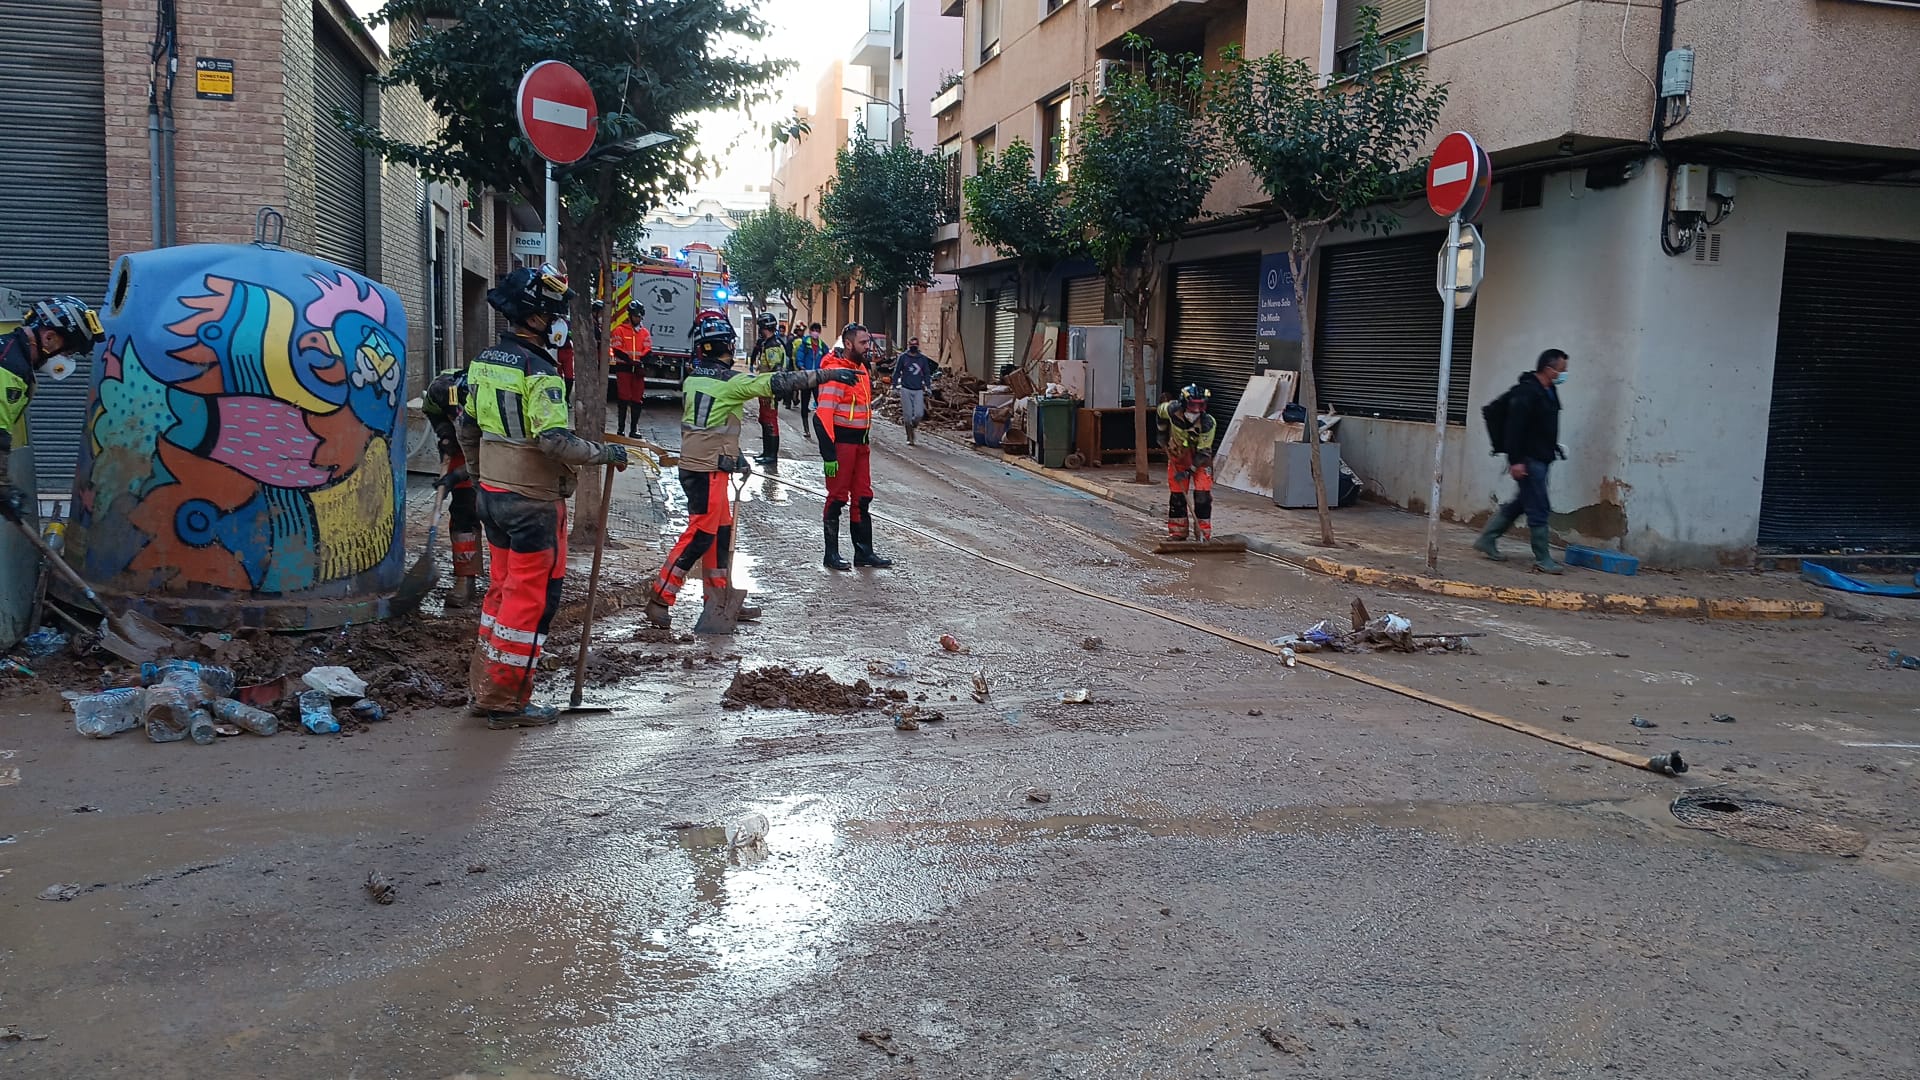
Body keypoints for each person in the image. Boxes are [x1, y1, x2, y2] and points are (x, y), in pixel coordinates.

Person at [457, 265, 629, 729]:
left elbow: (467, 426)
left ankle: (487, 684)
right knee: (529, 600)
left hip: (493, 497)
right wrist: (603, 453)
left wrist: (479, 478)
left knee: (501, 591)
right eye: (555, 315)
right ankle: (506, 698)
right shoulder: (541, 373)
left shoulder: (484, 361)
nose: (561, 324)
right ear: (535, 318)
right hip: (533, 502)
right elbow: (553, 441)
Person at [644, 315, 855, 629]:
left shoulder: (693, 379)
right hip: (706, 471)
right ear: (727, 345)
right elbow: (781, 382)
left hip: (702, 465)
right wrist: (829, 375)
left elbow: (713, 425)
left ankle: (719, 599)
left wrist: (736, 456)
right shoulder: (731, 383)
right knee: (700, 536)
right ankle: (660, 597)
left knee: (721, 535)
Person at [0, 296, 100, 523]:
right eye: (69, 352)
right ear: (49, 338)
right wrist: (3, 489)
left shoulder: (8, 350)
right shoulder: (9, 369)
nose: (67, 359)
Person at [1474, 348, 1570, 574]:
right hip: (1528, 459)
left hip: (1542, 456)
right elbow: (1513, 429)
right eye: (1562, 370)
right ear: (1549, 369)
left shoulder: (1549, 390)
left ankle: (1487, 539)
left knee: (1522, 503)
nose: (1564, 374)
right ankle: (1543, 558)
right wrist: (1515, 461)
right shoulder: (1526, 392)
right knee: (1539, 506)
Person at [814, 323, 893, 571]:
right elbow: (822, 416)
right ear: (848, 344)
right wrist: (829, 455)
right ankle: (831, 554)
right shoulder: (836, 373)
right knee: (837, 499)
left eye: (868, 342)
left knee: (863, 497)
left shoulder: (861, 370)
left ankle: (864, 553)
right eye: (863, 343)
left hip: (861, 444)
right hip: (842, 446)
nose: (868, 347)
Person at [421, 365, 483, 606]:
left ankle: (508, 582)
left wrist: (457, 475)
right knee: (463, 512)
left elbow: (487, 454)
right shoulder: (438, 392)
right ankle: (465, 577)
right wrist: (445, 433)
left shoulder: (487, 399)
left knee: (501, 514)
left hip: (493, 450)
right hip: (460, 449)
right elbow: (434, 414)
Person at [1156, 385, 1220, 542]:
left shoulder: (1208, 423)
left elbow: (1203, 452)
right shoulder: (1171, 409)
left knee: (1202, 497)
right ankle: (1178, 532)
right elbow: (1159, 412)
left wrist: (1190, 470)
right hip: (1178, 456)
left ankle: (1203, 534)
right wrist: (1162, 434)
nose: (1197, 410)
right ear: (1184, 403)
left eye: (1201, 405)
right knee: (1177, 496)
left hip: (1200, 460)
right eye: (1193, 405)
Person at [746, 312, 791, 465]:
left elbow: (776, 370)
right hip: (765, 389)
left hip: (770, 391)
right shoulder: (769, 343)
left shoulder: (772, 346)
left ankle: (771, 455)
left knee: (770, 421)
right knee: (764, 420)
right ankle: (766, 453)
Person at [609, 298, 652, 438]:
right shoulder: (619, 330)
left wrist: (640, 362)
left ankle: (633, 429)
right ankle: (621, 429)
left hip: (637, 371)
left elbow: (648, 349)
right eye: (635, 316)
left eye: (639, 316)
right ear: (630, 315)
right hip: (624, 369)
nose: (637, 319)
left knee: (637, 400)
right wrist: (630, 361)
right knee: (623, 398)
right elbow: (617, 349)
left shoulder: (644, 332)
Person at [891, 336, 937, 447]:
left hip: (918, 390)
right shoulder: (903, 357)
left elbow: (926, 374)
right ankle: (909, 436)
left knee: (919, 414)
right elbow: (897, 372)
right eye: (911, 345)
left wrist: (928, 387)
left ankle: (913, 426)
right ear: (908, 345)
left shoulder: (922, 359)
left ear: (918, 346)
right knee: (907, 416)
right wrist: (894, 386)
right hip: (905, 388)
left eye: (915, 345)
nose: (913, 347)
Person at [792, 322, 826, 416]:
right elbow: (799, 355)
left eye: (817, 331)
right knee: (805, 399)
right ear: (810, 331)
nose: (815, 332)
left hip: (817, 375)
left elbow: (828, 356)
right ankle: (804, 421)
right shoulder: (805, 343)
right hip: (806, 375)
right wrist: (801, 365)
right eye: (813, 330)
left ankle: (820, 418)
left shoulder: (822, 345)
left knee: (819, 399)